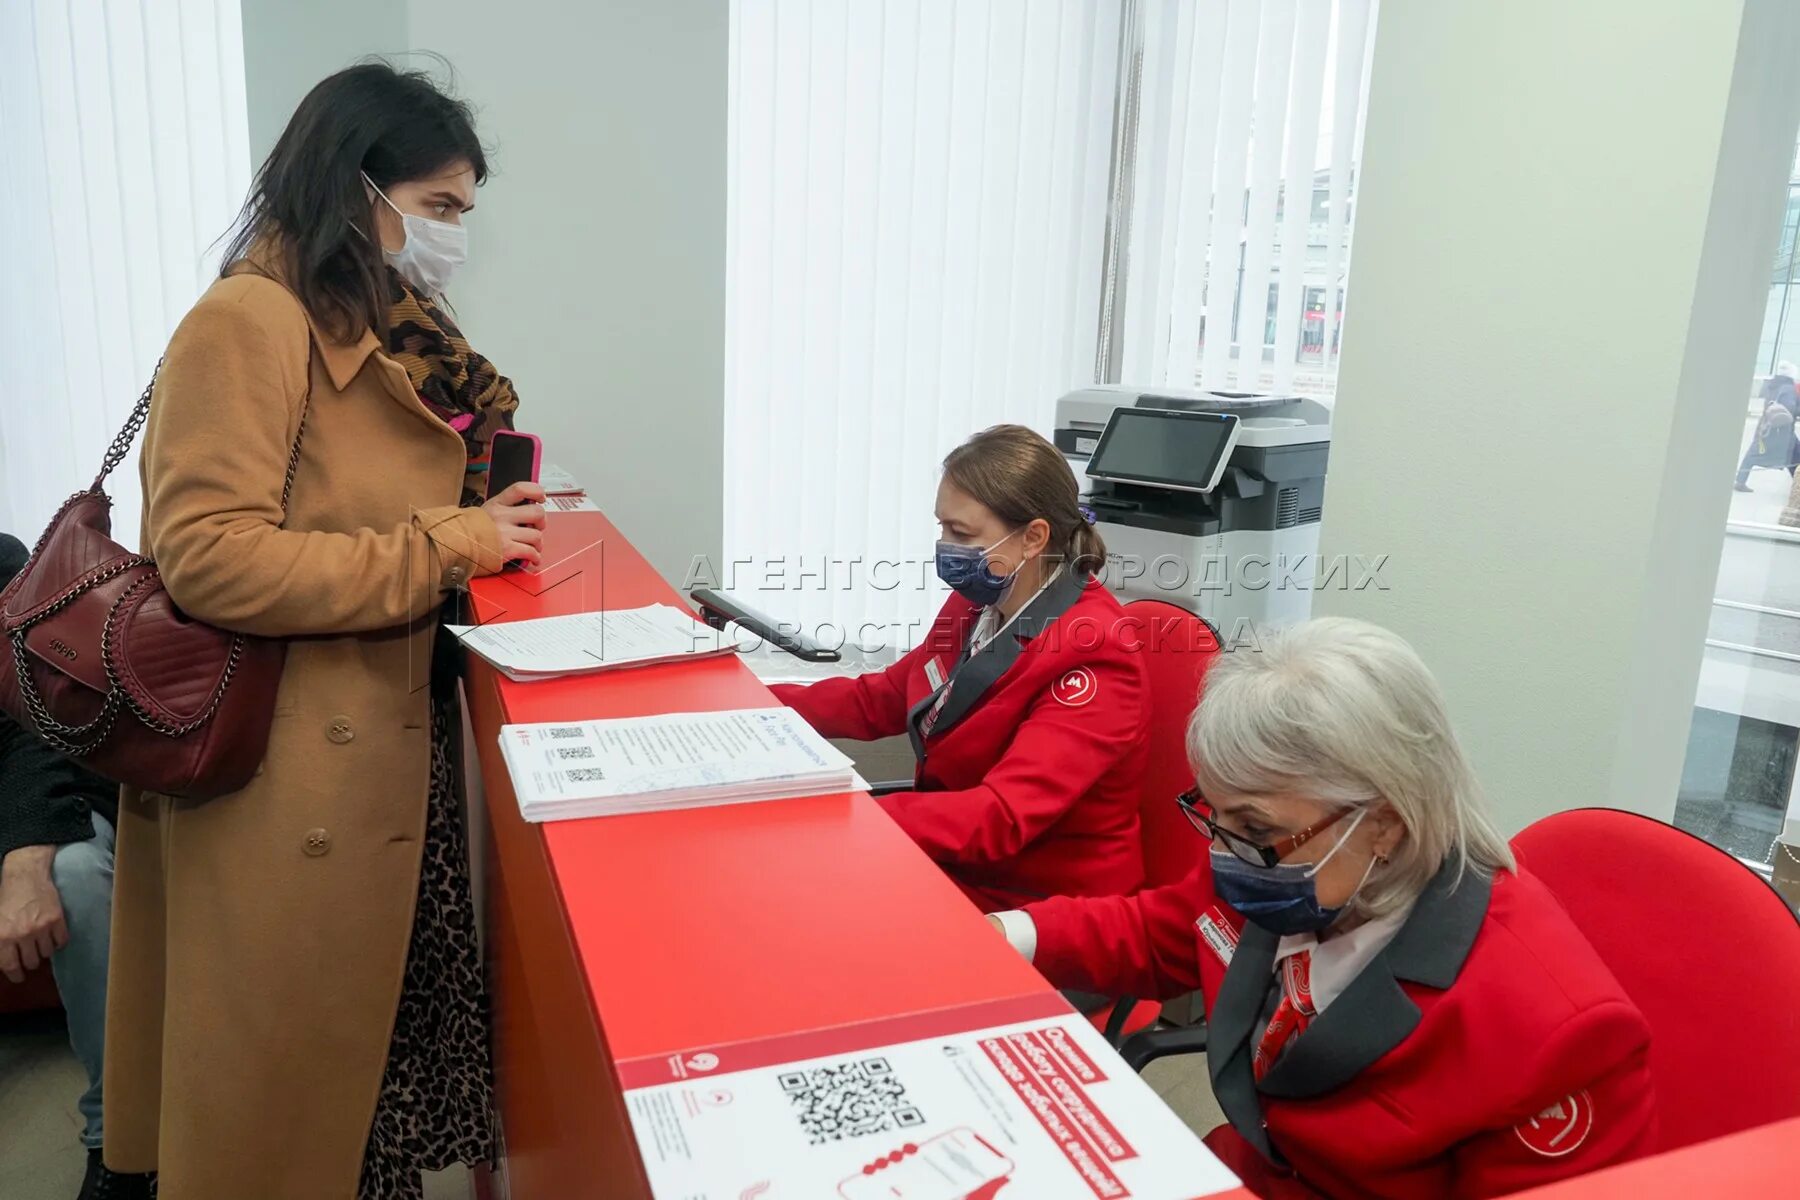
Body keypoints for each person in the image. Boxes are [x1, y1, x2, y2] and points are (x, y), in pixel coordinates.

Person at [102, 64, 548, 1200]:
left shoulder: (374, 320)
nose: (450, 237)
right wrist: (451, 545)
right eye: (438, 208)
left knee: (357, 1094)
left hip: (377, 750)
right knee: (282, 1107)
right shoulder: (251, 319)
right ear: (355, 185)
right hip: (283, 769)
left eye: (463, 214)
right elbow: (209, 556)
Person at [990, 618, 1656, 1200]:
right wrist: (1008, 933)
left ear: (1388, 823)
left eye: (1251, 826)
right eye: (1213, 814)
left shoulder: (1555, 1034)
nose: (1226, 852)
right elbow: (1162, 932)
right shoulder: (1283, 851)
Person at [772, 424, 1149, 911]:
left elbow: (1003, 815)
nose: (946, 546)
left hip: (1039, 902)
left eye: (962, 533)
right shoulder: (979, 602)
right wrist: (759, 707)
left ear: (1034, 537)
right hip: (958, 863)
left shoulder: (1096, 654)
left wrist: (856, 818)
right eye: (942, 528)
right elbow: (887, 696)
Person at [0, 533, 133, 1200]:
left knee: (73, 877)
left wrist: (24, 854)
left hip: (32, 790)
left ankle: (117, 1136)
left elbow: (44, 715)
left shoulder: (4, 564)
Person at [1733, 361, 1799, 491]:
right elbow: (1790, 409)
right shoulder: (1788, 389)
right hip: (1782, 432)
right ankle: (1797, 490)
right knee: (1794, 457)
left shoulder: (1772, 385)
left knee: (1753, 455)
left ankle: (1740, 481)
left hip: (1766, 427)